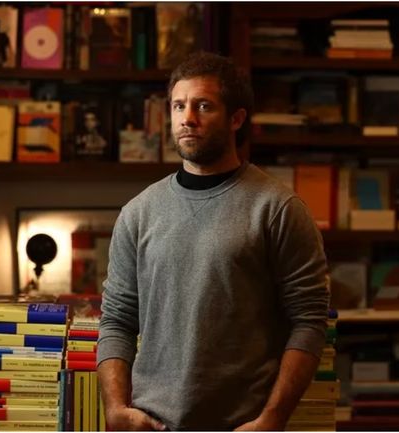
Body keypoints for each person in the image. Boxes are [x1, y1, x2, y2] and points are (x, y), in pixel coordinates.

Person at [97, 52, 329, 431]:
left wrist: (272, 419)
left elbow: (309, 321)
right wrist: (115, 408)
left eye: (203, 106)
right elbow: (117, 321)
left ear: (236, 119)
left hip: (243, 425)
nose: (187, 118)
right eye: (178, 106)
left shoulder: (278, 209)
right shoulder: (138, 213)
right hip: (151, 423)